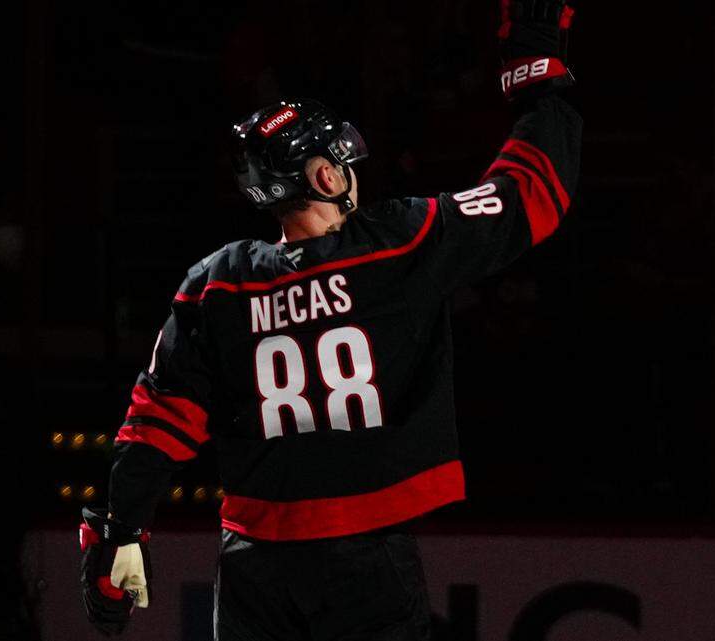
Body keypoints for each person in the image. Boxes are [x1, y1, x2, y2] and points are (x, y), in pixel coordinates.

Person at [79, 1, 582, 638]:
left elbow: (155, 424)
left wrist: (122, 530)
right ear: (324, 174)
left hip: (251, 570)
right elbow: (533, 192)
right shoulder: (395, 244)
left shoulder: (217, 283)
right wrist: (541, 81)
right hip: (364, 562)